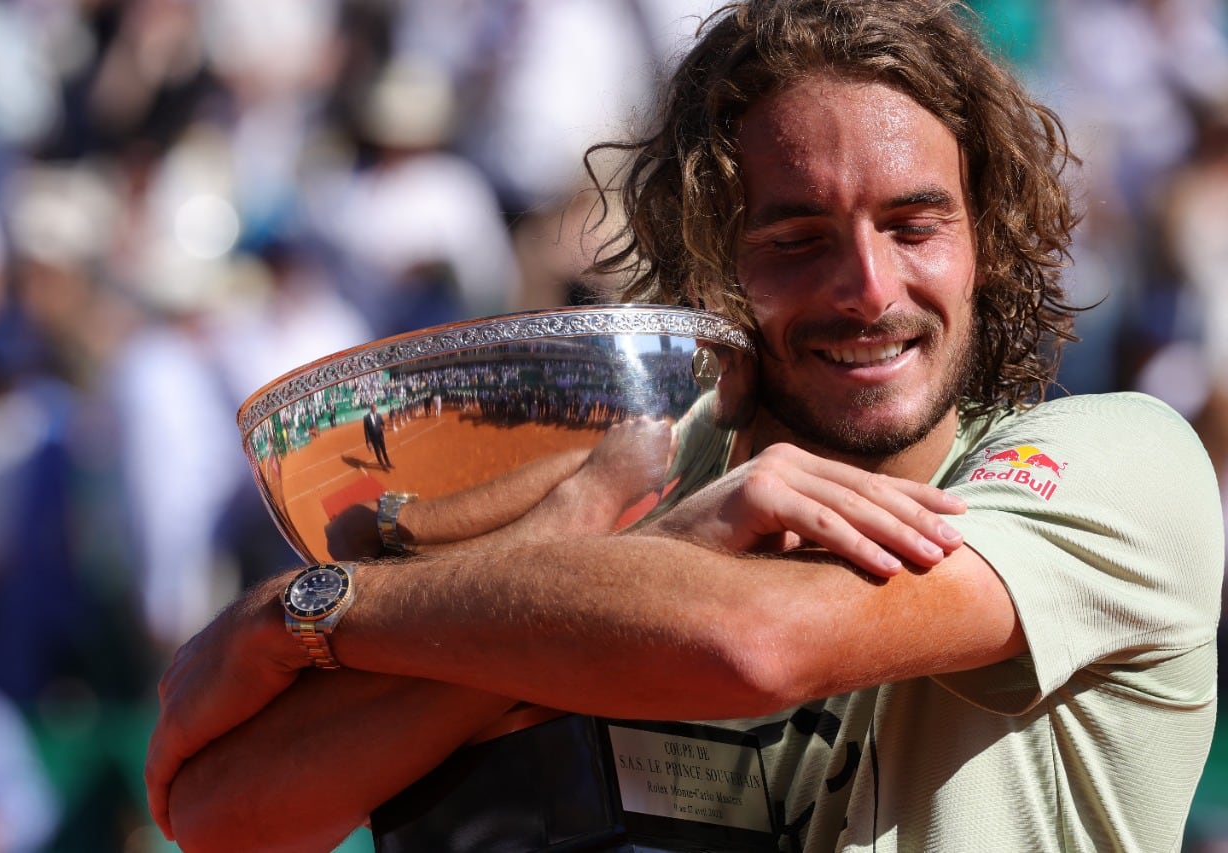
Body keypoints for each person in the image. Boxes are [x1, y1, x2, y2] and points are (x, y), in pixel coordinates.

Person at [144, 1, 1224, 851]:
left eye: (913, 224)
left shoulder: (1121, 464)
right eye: (796, 238)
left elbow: (753, 642)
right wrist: (595, 554)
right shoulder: (632, 481)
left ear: (983, 239)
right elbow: (226, 816)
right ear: (711, 257)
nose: (866, 286)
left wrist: (320, 606)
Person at [362, 402, 393, 470]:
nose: (375, 409)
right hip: (373, 438)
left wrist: (385, 426)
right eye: (373, 407)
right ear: (371, 408)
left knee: (384, 450)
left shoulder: (379, 415)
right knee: (378, 451)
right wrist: (368, 441)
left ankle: (388, 462)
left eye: (376, 408)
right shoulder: (366, 418)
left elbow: (383, 423)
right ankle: (382, 465)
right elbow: (366, 431)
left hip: (380, 436)